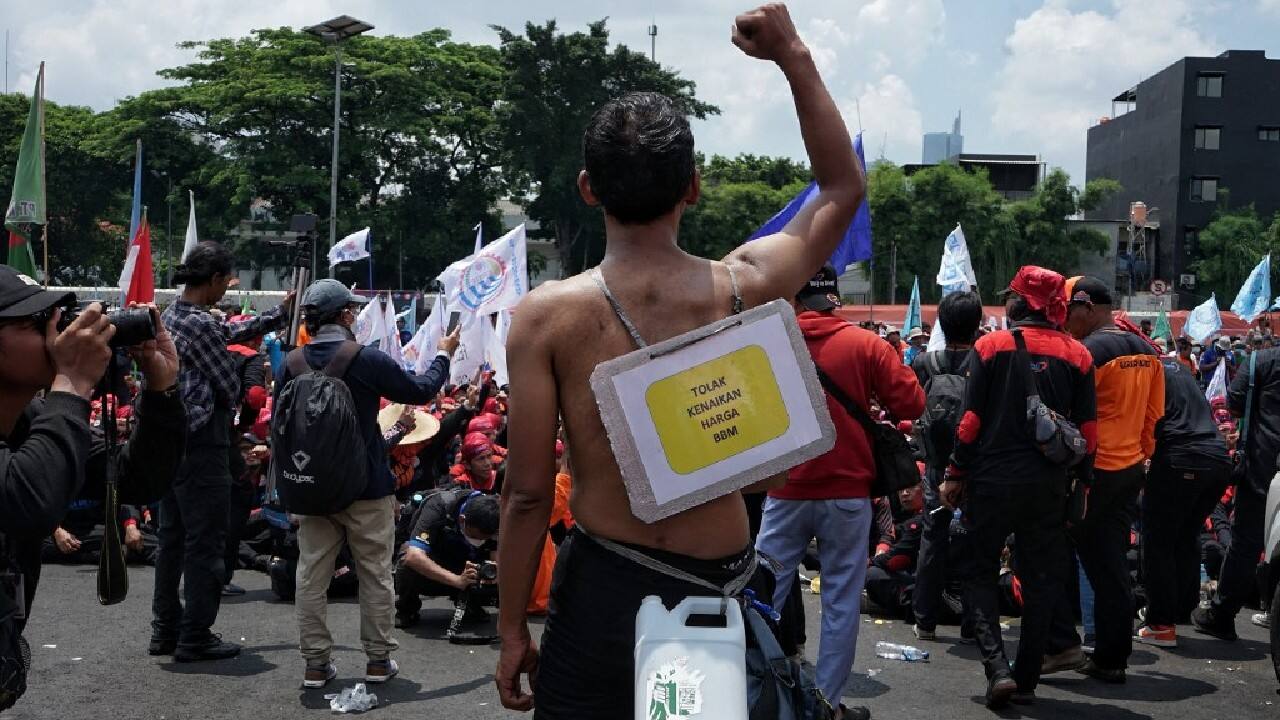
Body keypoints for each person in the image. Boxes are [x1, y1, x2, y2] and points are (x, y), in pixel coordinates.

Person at [495, 5, 867, 716]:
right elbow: (842, 188)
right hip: (710, 592)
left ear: (586, 188)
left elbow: (528, 496)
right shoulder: (744, 286)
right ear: (692, 187)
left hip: (605, 589)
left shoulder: (545, 318)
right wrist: (792, 54)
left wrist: (513, 631)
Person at [0, 265, 183, 693]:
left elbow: (138, 480)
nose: (59, 335)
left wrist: (162, 388)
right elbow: (27, 503)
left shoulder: (31, 421)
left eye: (59, 319)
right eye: (38, 323)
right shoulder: (52, 411)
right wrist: (73, 382)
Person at [757, 265, 924, 714]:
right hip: (849, 493)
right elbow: (912, 403)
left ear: (795, 298)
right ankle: (825, 704)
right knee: (841, 602)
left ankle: (754, 691)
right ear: (834, 298)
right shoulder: (867, 344)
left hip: (784, 490)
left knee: (760, 594)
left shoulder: (770, 345)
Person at [279, 279, 458, 689]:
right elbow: (420, 389)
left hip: (311, 487)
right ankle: (378, 662)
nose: (356, 316)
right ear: (344, 316)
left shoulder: (289, 363)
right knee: (375, 573)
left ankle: (315, 665)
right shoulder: (366, 359)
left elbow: (282, 430)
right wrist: (444, 355)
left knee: (311, 576)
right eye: (353, 311)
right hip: (366, 487)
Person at [939, 266, 1097, 708]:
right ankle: (1026, 678)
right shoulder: (1078, 355)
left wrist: (955, 473)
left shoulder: (989, 347)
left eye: (1011, 295)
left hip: (990, 484)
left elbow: (970, 423)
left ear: (1021, 303)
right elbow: (1088, 433)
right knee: (1041, 579)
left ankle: (997, 669)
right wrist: (1082, 484)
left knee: (978, 573)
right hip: (1048, 488)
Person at [150, 242, 290, 663]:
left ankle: (165, 629)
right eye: (223, 282)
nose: (224, 291)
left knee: (172, 539)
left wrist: (278, 314)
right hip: (202, 444)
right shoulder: (202, 324)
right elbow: (228, 384)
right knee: (206, 542)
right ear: (212, 280)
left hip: (169, 442)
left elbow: (227, 333)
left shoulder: (173, 314)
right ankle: (195, 634)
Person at [1046, 276, 1163, 683]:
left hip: (1091, 473)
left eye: (1067, 311)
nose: (1064, 319)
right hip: (1129, 470)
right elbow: (1154, 416)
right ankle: (1112, 657)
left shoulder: (1085, 352)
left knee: (1047, 551)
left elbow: (1065, 416)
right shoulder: (1149, 351)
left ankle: (1060, 645)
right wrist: (1140, 457)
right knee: (1110, 564)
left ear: (1088, 307)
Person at [1135, 354, 1231, 646]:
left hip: (1183, 457)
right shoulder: (1179, 369)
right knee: (1187, 534)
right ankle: (1179, 610)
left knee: (1157, 540)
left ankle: (1160, 623)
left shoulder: (1143, 371)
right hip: (1217, 459)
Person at [1193, 337, 1280, 641]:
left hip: (1263, 470)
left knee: (1245, 544)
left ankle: (1222, 615)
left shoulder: (1261, 362)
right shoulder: (1258, 362)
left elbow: (1234, 403)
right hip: (1264, 470)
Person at [911, 290, 982, 641]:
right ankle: (973, 623)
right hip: (973, 464)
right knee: (973, 540)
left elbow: (912, 409)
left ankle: (925, 620)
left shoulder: (924, 363)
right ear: (977, 324)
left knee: (932, 538)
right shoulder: (985, 361)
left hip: (936, 465)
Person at [393, 488, 500, 629]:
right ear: (463, 520)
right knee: (406, 561)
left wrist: (495, 574)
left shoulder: (494, 511)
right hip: (436, 559)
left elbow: (496, 552)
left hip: (468, 562)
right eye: (476, 537)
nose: (480, 541)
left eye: (486, 538)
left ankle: (469, 601)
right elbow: (413, 556)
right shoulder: (439, 507)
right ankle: (407, 607)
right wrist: (457, 581)